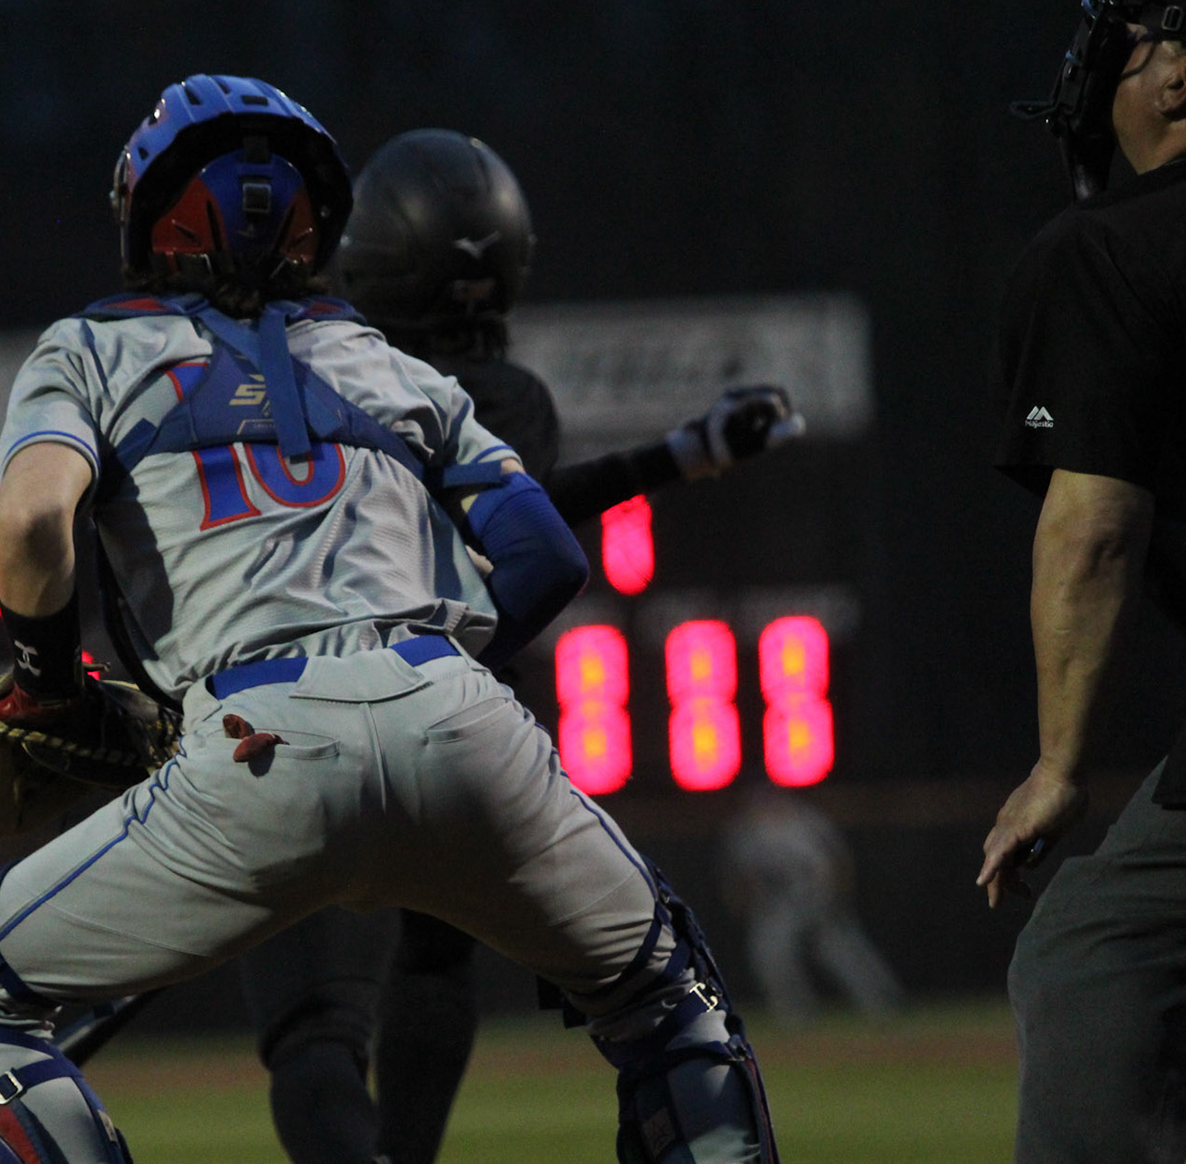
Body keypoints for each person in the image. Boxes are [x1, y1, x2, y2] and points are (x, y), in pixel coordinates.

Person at [0, 74, 780, 1164]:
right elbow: (548, 555)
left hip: (254, 746)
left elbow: (32, 523)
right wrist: (430, 679)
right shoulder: (388, 362)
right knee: (673, 1002)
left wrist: (47, 684)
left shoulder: (88, 348)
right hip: (464, 723)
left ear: (145, 212)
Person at [237, 128, 802, 1164]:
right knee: (457, 964)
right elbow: (530, 520)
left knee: (315, 1035)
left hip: (295, 726)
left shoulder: (292, 379)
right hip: (450, 736)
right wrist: (680, 454)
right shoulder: (502, 400)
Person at [981, 0, 1186, 1163]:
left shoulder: (1117, 246)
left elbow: (1093, 526)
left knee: (1099, 950)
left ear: (1181, 74)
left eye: (1134, 43)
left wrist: (1059, 763)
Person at [716, 785, 901, 1028]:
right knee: (772, 955)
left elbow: (837, 859)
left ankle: (882, 1005)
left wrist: (837, 895)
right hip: (779, 902)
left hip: (816, 894)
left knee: (841, 953)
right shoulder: (745, 831)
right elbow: (742, 877)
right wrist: (743, 899)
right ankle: (795, 1015)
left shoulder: (804, 819)